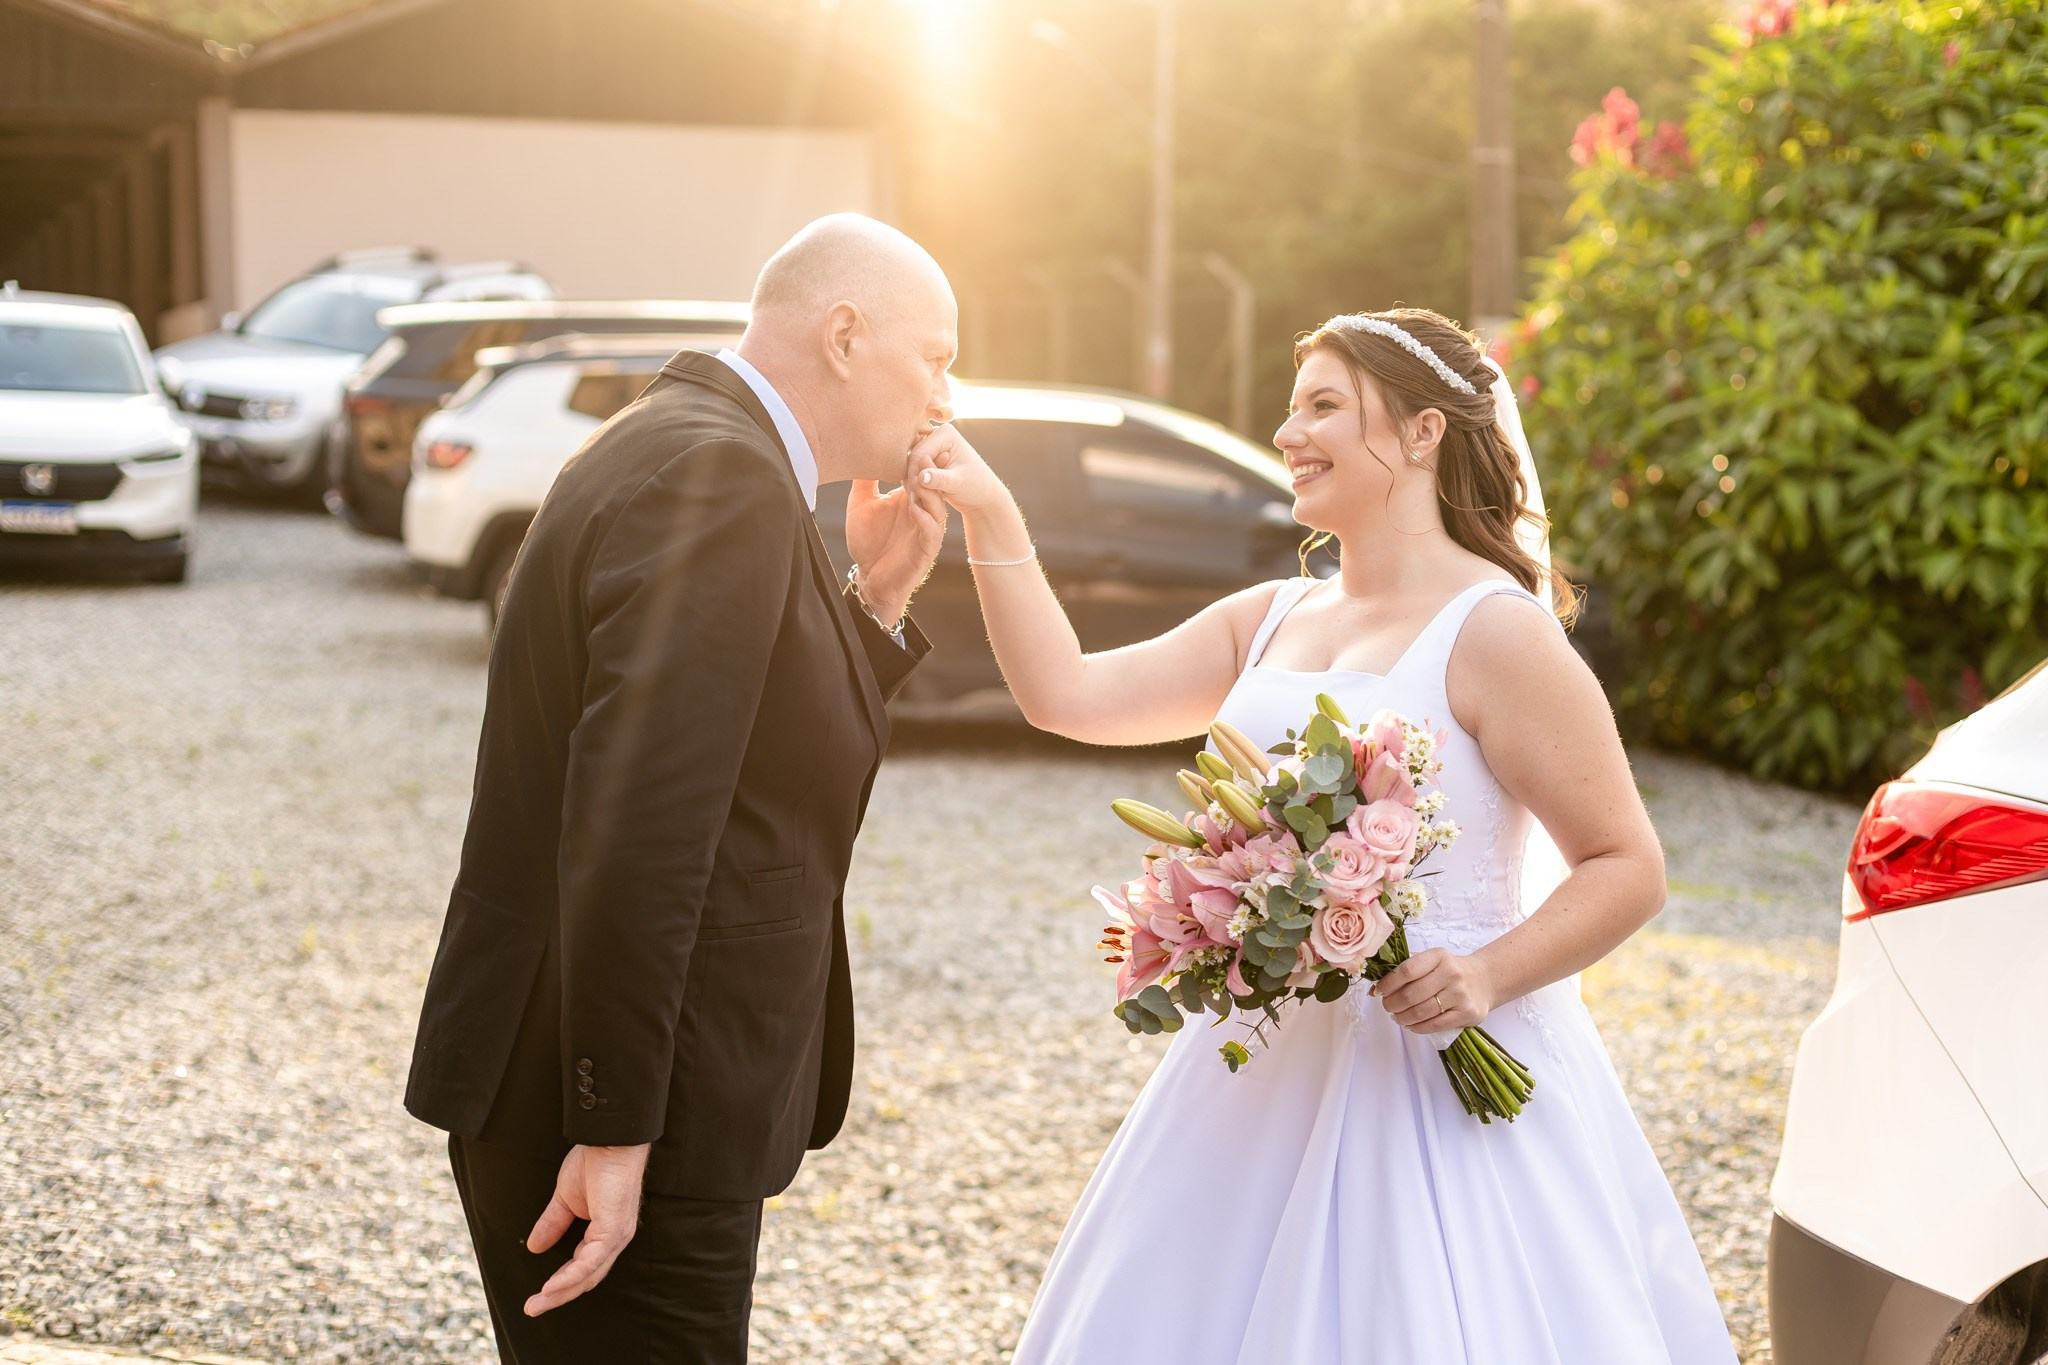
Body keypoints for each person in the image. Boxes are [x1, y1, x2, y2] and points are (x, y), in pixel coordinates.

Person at [909, 308, 1738, 1363]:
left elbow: (1626, 865)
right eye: (1292, 407)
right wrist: (990, 514)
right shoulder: (1267, 617)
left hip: (1432, 1064)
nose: (1286, 432)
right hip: (1263, 1065)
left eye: (1322, 406)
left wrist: (1483, 975)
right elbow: (1064, 694)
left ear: (1423, 432)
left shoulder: (1495, 633)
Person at [403, 213, 956, 1364]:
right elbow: (639, 828)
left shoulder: (686, 446)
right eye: (938, 357)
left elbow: (744, 763)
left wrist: (876, 606)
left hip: (628, 1096)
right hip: (622, 1116)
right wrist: (611, 1130)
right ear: (844, 335)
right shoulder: (719, 476)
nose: (947, 398)